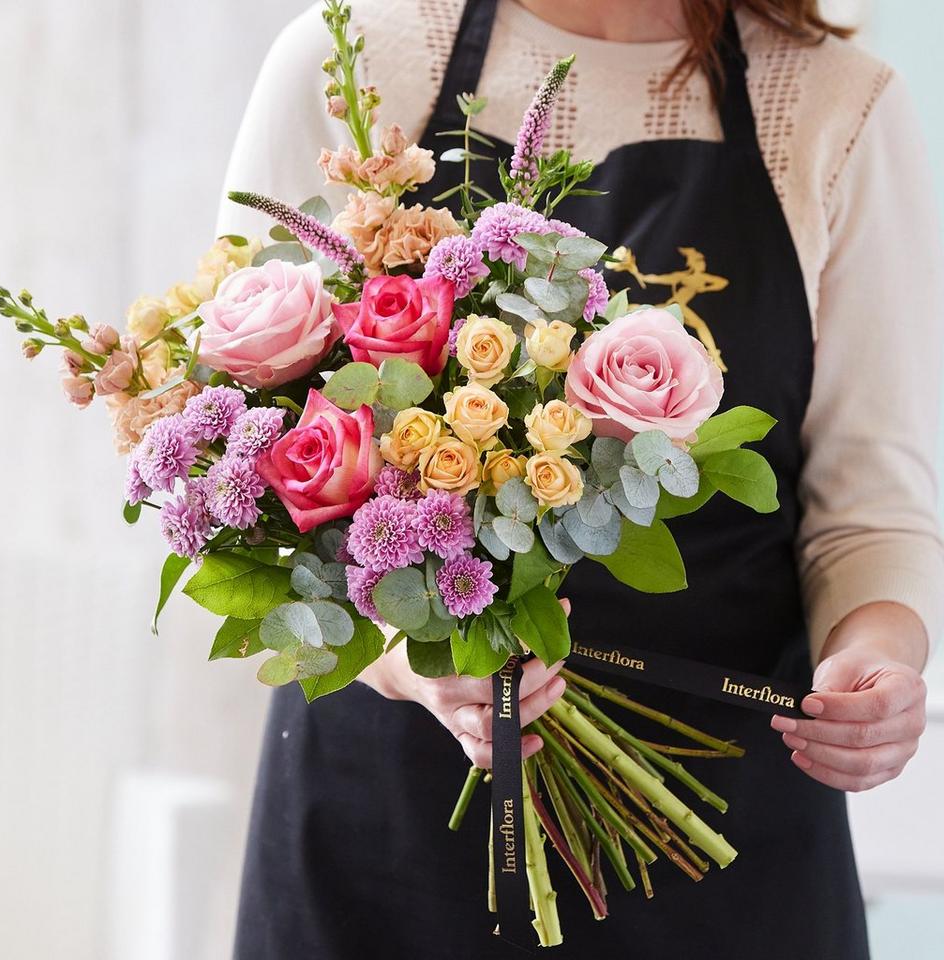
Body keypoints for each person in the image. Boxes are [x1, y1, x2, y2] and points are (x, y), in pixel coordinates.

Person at [217, 1, 942, 956]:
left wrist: (880, 653)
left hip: (720, 826)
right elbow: (244, 459)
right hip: (387, 828)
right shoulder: (351, 63)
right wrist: (414, 657)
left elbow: (869, 502)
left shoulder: (834, 105)